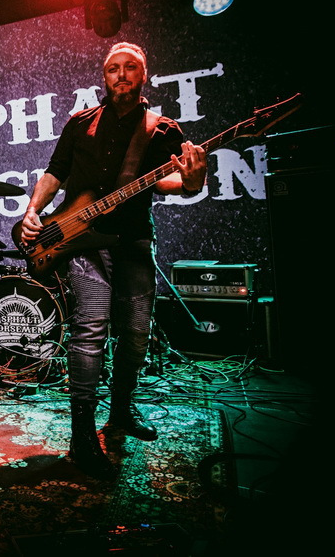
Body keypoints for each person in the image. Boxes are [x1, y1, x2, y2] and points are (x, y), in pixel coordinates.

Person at [18, 41, 207, 481]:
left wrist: (193, 182)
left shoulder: (162, 129)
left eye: (130, 67)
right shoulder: (80, 123)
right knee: (90, 329)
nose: (121, 75)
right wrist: (32, 211)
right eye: (113, 68)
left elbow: (168, 182)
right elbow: (55, 173)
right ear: (104, 76)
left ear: (144, 74)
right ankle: (82, 435)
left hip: (134, 239)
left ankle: (121, 409)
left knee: (137, 334)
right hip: (84, 243)